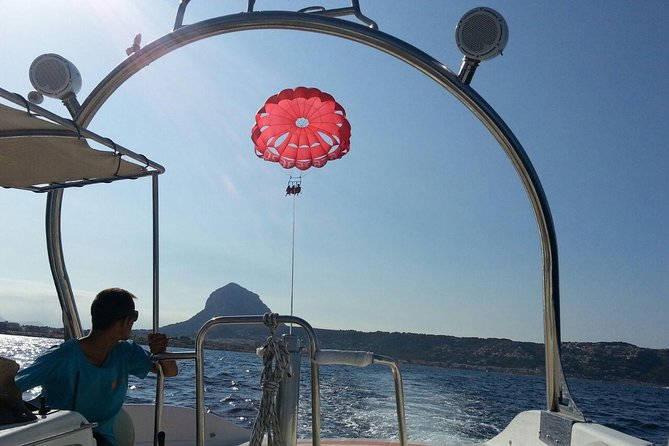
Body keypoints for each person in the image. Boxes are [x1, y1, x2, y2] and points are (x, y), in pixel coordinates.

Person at [15, 288, 178, 446]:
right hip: (60, 438)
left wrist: (161, 352)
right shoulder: (61, 356)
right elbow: (12, 386)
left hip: (101, 439)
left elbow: (169, 372)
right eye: (134, 316)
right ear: (125, 321)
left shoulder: (127, 352)